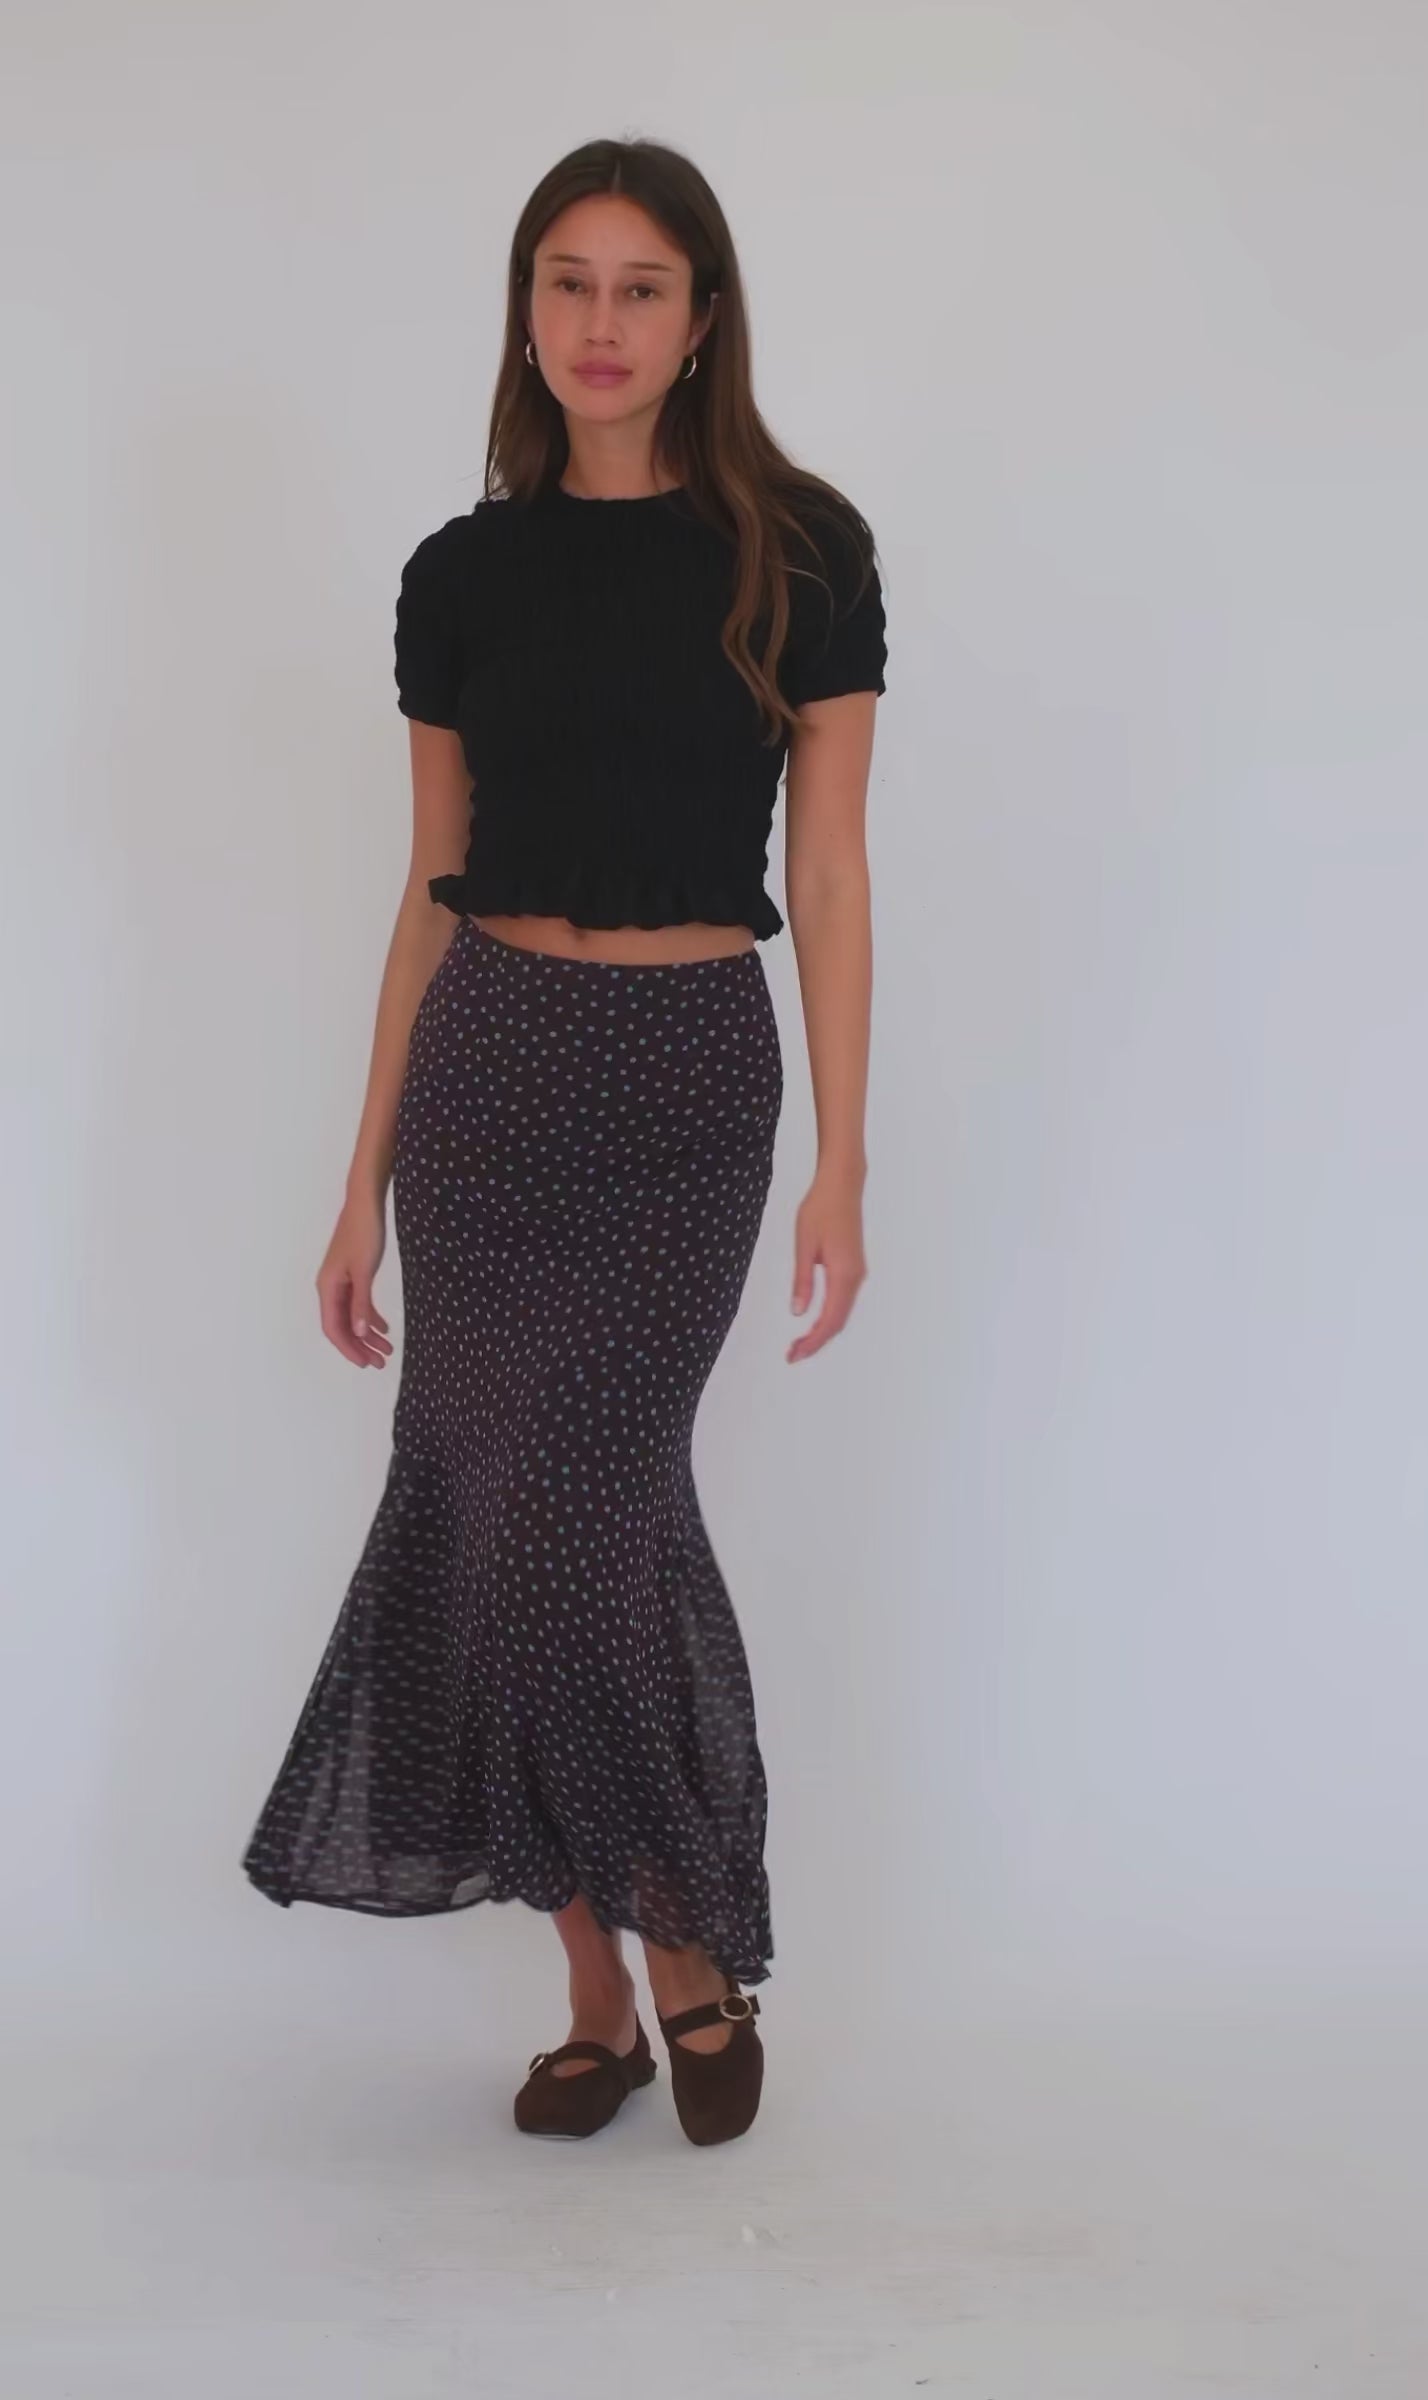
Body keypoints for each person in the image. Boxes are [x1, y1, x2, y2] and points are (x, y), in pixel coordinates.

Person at [239, 136, 887, 2148]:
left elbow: (833, 870)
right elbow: (427, 885)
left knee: (579, 1516)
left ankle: (675, 1943)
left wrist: (844, 1158)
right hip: (492, 1072)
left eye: (641, 286)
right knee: (486, 1514)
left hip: (685, 1077)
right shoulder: (462, 575)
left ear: (702, 321)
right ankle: (612, 1978)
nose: (601, 323)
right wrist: (358, 1180)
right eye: (567, 282)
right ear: (526, 313)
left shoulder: (802, 550)